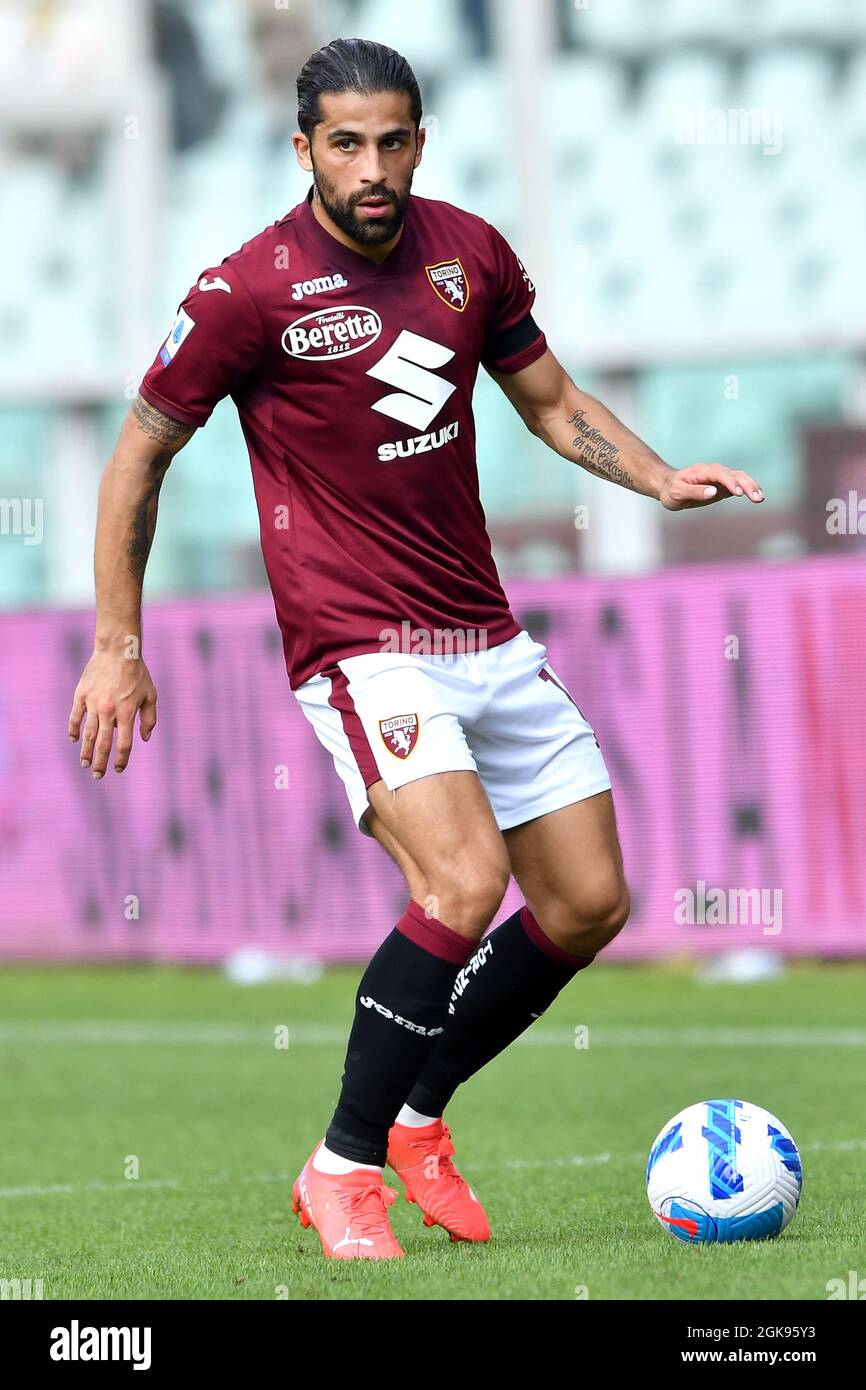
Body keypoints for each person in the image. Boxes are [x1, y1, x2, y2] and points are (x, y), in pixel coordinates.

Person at [68, 37, 765, 1260]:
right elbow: (139, 452)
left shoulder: (469, 252)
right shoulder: (248, 289)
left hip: (481, 629)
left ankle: (415, 1116)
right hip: (354, 643)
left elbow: (546, 401)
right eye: (346, 143)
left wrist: (653, 476)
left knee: (588, 900)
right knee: (458, 880)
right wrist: (116, 642)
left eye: (392, 139)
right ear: (304, 151)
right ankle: (340, 1165)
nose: (372, 166)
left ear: (420, 142)